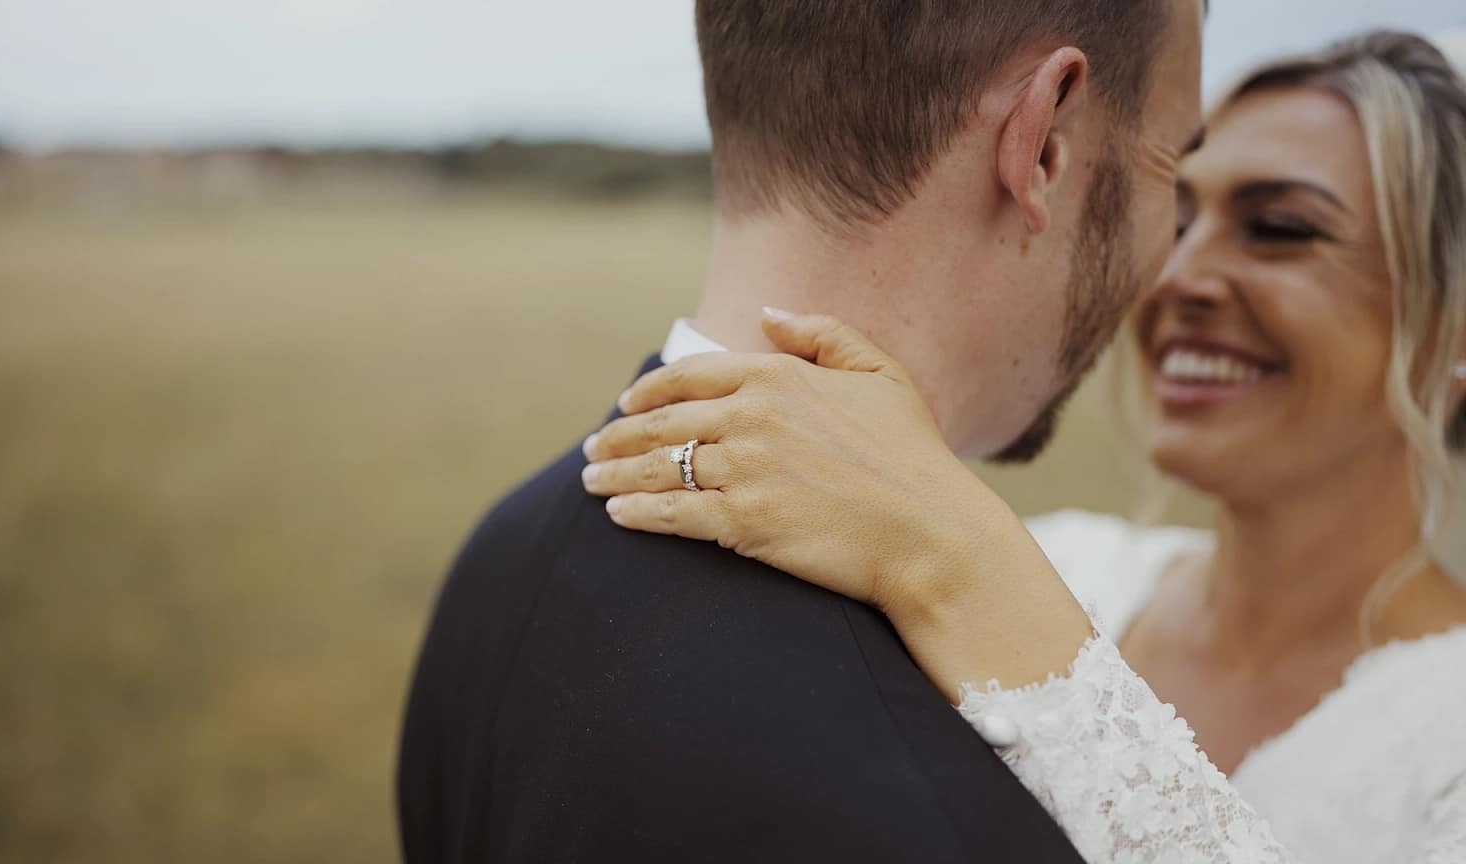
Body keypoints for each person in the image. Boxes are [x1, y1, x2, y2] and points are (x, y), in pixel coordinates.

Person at [580, 31, 1466, 863]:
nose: (1182, 276)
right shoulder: (1068, 559)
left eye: (1281, 229)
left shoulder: (975, 560)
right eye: (1182, 217)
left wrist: (962, 561)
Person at [398, 0, 1205, 860]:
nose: (1182, 259)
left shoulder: (498, 559)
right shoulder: (937, 818)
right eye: (1174, 172)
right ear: (1041, 143)